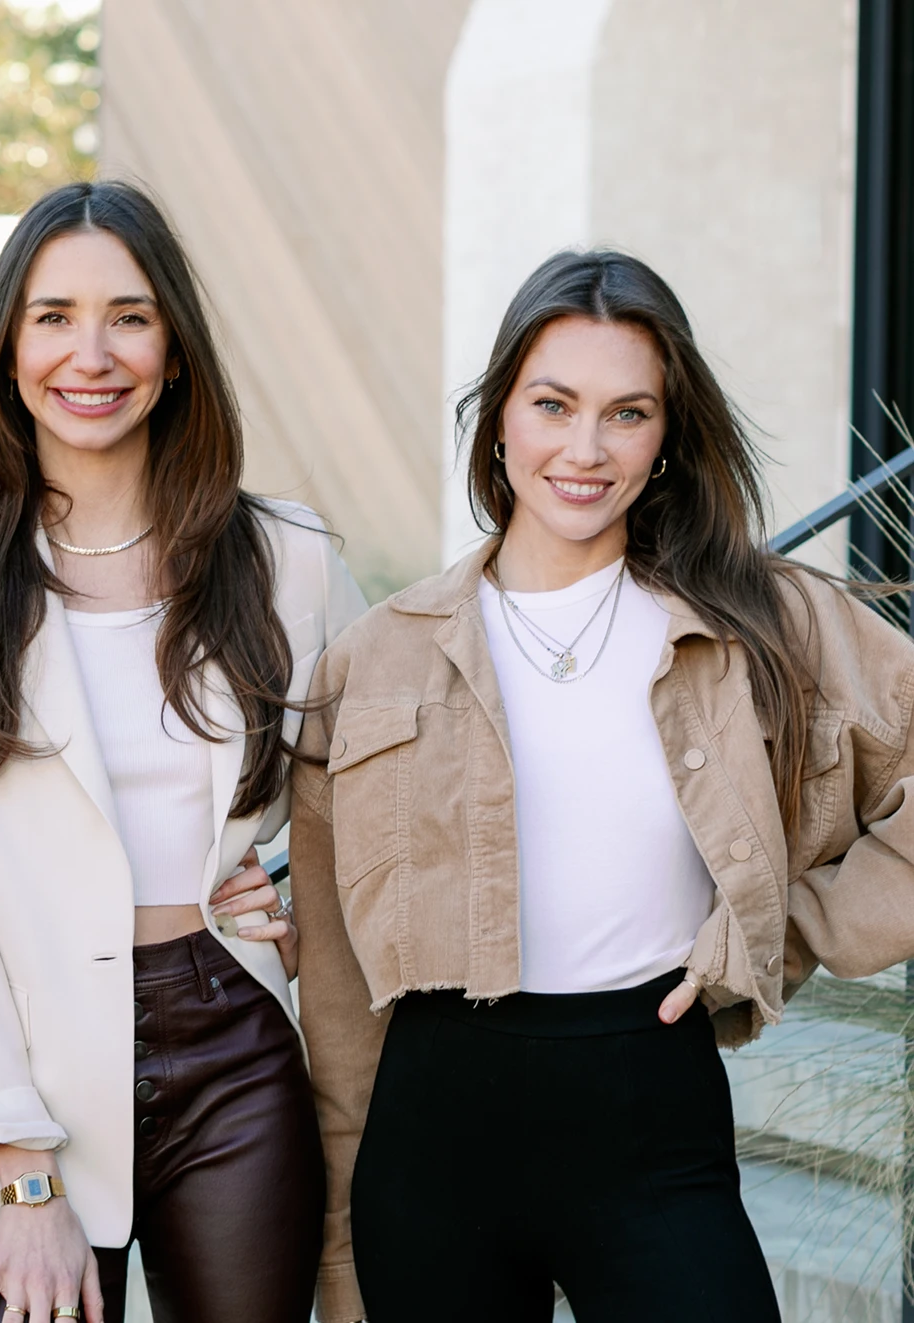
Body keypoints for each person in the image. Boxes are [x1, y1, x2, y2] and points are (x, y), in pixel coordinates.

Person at [292, 248, 914, 1323]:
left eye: (625, 413)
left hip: (647, 1109)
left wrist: (785, 927)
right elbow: (339, 994)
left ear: (666, 433)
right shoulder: (373, 658)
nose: (583, 449)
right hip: (430, 1139)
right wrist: (341, 1248)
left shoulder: (762, 623)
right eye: (551, 405)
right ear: (497, 419)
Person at [0, 180, 368, 1323]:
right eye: (51, 317)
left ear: (175, 350)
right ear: (4, 350)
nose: (88, 353)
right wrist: (20, 1164)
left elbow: (381, 782)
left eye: (129, 316)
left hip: (230, 1047)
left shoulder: (283, 557)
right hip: (20, 1068)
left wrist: (293, 901)